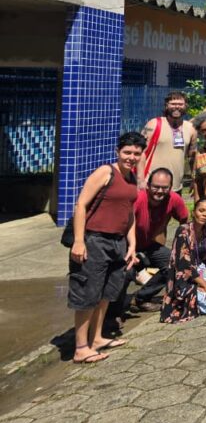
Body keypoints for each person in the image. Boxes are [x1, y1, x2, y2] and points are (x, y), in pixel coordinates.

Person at [68, 132, 145, 363]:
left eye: (136, 154)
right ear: (118, 152)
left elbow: (129, 212)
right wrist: (79, 240)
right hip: (94, 240)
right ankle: (81, 347)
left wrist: (132, 243)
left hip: (117, 242)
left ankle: (97, 337)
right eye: (127, 152)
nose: (131, 157)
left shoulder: (131, 179)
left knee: (106, 293)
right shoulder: (105, 172)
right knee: (88, 292)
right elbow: (81, 204)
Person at [123, 168, 189, 313]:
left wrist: (183, 245)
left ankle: (140, 298)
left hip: (148, 245)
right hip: (126, 245)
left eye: (164, 187)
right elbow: (122, 225)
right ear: (148, 185)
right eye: (156, 187)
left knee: (174, 262)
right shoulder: (138, 199)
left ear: (171, 188)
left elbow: (185, 221)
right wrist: (130, 250)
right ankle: (115, 310)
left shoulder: (174, 199)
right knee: (125, 272)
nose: (159, 191)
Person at [140, 91, 197, 193]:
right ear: (166, 106)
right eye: (173, 104)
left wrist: (194, 177)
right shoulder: (153, 124)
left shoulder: (190, 128)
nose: (177, 107)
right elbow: (140, 152)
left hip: (176, 186)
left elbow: (192, 157)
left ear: (186, 106)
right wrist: (140, 180)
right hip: (151, 185)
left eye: (180, 104)